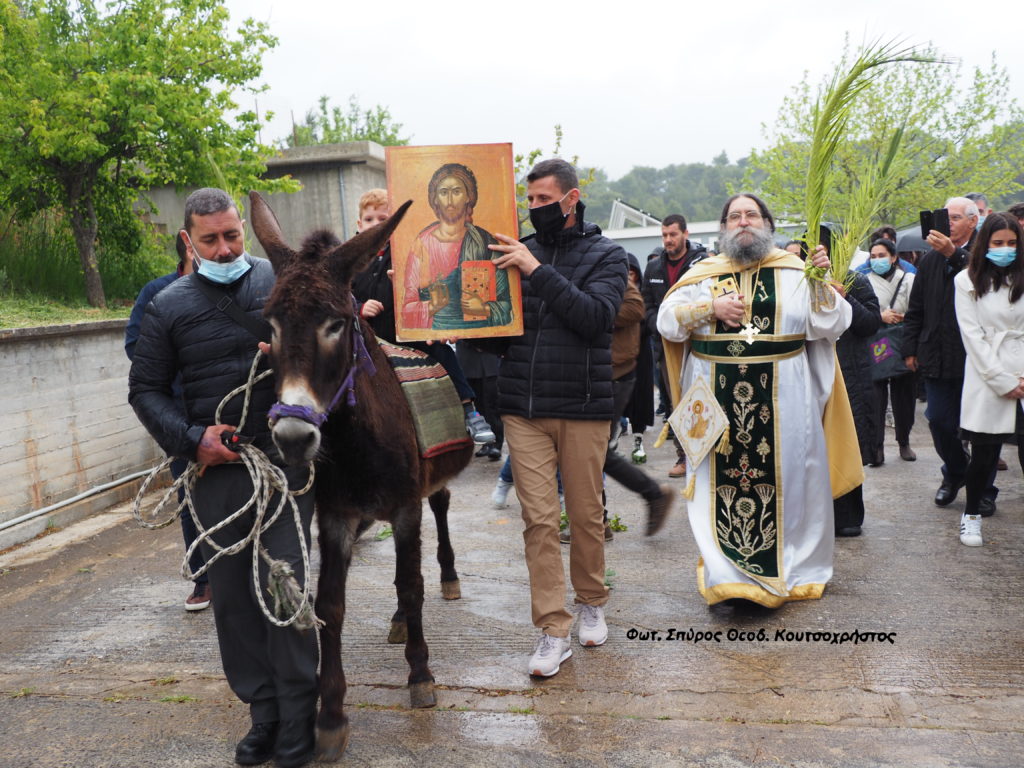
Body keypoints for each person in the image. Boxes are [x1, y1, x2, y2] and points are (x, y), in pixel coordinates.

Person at [129, 188, 318, 768]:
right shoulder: (167, 305)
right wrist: (193, 441)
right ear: (189, 241)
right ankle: (263, 714)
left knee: (282, 586)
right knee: (234, 598)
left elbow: (325, 351)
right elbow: (146, 390)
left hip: (282, 466)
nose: (224, 246)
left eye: (232, 234)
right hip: (216, 470)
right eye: (210, 238)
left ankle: (298, 720)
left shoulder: (281, 282)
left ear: (245, 230)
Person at [657, 193, 856, 608]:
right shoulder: (703, 274)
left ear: (767, 223)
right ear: (723, 227)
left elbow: (832, 325)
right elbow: (666, 322)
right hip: (715, 401)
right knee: (715, 486)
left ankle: (792, 567)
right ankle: (728, 577)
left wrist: (821, 284)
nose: (743, 222)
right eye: (734, 216)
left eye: (751, 215)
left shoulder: (796, 270)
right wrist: (709, 309)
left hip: (785, 399)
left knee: (791, 481)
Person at [486, 158, 627, 677]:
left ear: (572, 199)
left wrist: (536, 272)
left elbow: (596, 320)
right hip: (523, 408)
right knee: (539, 521)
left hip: (584, 406)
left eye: (545, 200)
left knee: (586, 514)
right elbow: (501, 329)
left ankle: (591, 599)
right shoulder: (513, 253)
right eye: (531, 201)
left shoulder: (607, 256)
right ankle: (552, 630)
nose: (536, 210)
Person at [351, 188, 495, 444]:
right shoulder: (350, 260)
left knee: (442, 352)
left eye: (384, 220)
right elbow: (339, 296)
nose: (376, 225)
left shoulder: (409, 252)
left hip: (407, 333)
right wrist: (359, 308)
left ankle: (468, 409)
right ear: (359, 224)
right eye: (370, 219)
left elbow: (432, 290)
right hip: (367, 339)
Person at [125, 234, 211, 612]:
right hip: (179, 414)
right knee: (190, 495)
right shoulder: (157, 293)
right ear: (189, 247)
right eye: (208, 241)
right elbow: (135, 344)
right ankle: (203, 577)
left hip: (230, 409)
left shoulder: (243, 285)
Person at [903, 197, 997, 514]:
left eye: (955, 217)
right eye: (947, 217)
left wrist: (954, 254)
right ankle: (957, 472)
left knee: (983, 427)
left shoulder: (987, 254)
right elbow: (915, 310)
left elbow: (987, 284)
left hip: (977, 356)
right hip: (936, 355)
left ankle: (984, 488)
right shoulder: (928, 261)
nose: (950, 223)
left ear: (974, 221)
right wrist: (910, 349)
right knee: (939, 422)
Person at [954, 212, 1024, 546]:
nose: (1006, 249)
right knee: (984, 455)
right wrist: (1002, 379)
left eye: (1012, 243)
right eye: (998, 243)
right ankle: (971, 515)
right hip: (988, 373)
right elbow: (973, 337)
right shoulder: (966, 281)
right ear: (985, 245)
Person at [401, 163, 512, 331]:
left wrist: (484, 309)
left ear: (468, 196)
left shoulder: (484, 242)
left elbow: (506, 307)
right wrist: (431, 307)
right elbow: (406, 309)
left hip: (479, 339)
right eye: (444, 193)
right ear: (435, 198)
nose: (450, 200)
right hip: (436, 337)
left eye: (457, 192)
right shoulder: (422, 244)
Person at [641, 214, 707, 478]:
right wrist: (660, 324)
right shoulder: (654, 269)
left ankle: (707, 453)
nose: (668, 240)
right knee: (676, 402)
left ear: (685, 234)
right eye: (665, 235)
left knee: (702, 398)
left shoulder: (702, 264)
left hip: (698, 344)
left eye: (673, 235)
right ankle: (683, 457)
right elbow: (646, 305)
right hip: (666, 347)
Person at [864, 238, 917, 464]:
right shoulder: (864, 281)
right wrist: (880, 316)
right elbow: (859, 313)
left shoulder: (909, 279)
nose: (878, 260)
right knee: (876, 397)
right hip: (878, 341)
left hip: (904, 340)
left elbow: (919, 310)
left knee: (905, 395)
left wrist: (904, 316)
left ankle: (904, 440)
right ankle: (876, 447)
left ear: (894, 257)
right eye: (873, 257)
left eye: (882, 255)